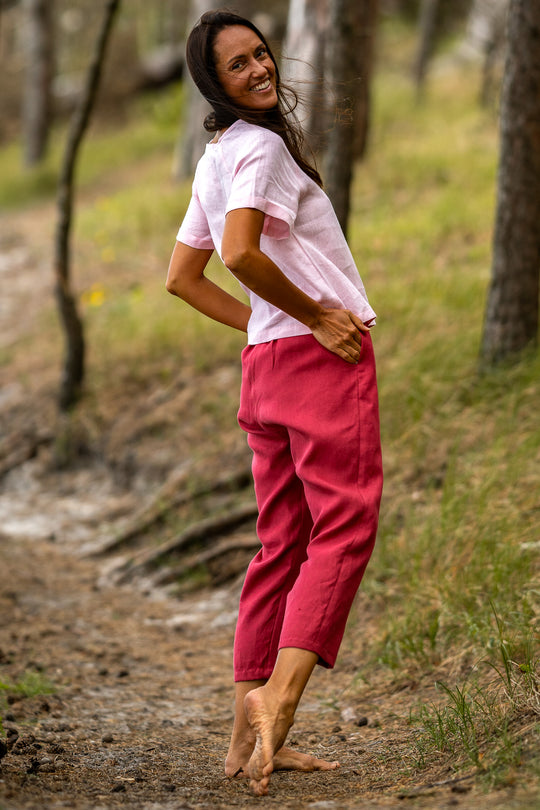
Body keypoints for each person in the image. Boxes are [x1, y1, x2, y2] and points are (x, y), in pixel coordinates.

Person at [166, 9, 383, 796]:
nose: (259, 69)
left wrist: (262, 326)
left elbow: (182, 279)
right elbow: (241, 253)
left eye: (261, 53)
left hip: (268, 368)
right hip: (319, 361)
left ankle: (240, 743)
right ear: (212, 82)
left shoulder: (217, 155)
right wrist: (319, 316)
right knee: (345, 522)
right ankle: (278, 702)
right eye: (238, 65)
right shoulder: (255, 148)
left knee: (280, 544)